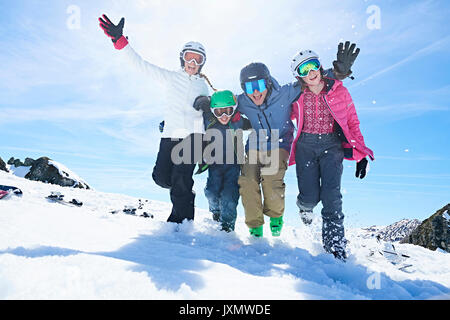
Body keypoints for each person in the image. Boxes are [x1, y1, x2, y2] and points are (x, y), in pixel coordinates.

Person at [98, 14, 215, 224]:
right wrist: (120, 42)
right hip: (170, 135)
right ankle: (185, 192)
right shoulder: (171, 78)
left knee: (181, 178)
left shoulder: (203, 86)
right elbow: (141, 65)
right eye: (189, 57)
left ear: (202, 64)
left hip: (193, 138)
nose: (192, 62)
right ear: (182, 58)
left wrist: (207, 113)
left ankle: (181, 222)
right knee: (161, 177)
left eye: (197, 60)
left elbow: (212, 112)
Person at [236, 42, 359, 238]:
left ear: (267, 83)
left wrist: (337, 72)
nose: (255, 92)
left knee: (272, 181)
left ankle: (279, 218)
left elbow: (312, 79)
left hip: (282, 144)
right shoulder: (242, 101)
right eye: (249, 87)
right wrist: (206, 104)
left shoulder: (286, 93)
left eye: (259, 85)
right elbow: (223, 104)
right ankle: (255, 227)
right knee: (247, 181)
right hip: (258, 146)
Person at [289, 49, 374, 260]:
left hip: (332, 147)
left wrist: (361, 154)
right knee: (310, 197)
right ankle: (304, 207)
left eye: (313, 65)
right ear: (298, 75)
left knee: (332, 198)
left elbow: (352, 122)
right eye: (304, 69)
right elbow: (276, 111)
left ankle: (335, 250)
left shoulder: (339, 91)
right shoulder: (296, 95)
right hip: (305, 147)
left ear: (320, 66)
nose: (311, 72)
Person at [193, 90, 251, 232]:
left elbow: (256, 122)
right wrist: (204, 100)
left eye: (228, 111)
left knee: (229, 196)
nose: (224, 116)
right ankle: (215, 211)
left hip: (234, 166)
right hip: (215, 164)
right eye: (219, 112)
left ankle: (227, 228)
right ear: (213, 111)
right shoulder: (208, 118)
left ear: (234, 109)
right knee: (212, 192)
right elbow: (191, 113)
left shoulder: (238, 121)